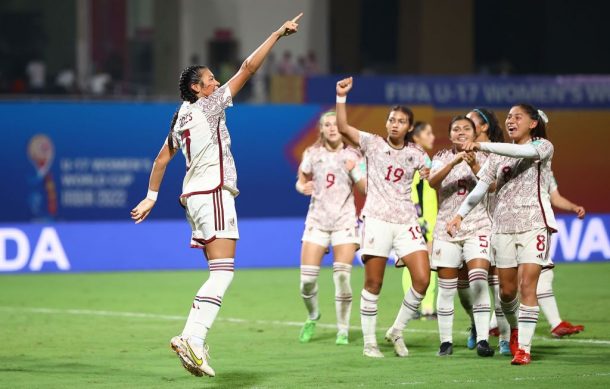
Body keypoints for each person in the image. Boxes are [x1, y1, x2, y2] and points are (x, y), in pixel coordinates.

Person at [130, 13, 302, 377]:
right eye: (210, 79)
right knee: (224, 274)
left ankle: (193, 338)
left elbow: (162, 159)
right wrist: (275, 34)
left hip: (193, 197)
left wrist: (150, 196)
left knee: (217, 270)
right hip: (213, 193)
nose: (217, 82)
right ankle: (191, 336)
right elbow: (248, 69)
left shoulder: (179, 116)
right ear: (198, 88)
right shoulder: (209, 105)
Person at [447, 104, 557, 366]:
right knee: (507, 293)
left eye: (518, 117)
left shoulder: (542, 146)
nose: (511, 120)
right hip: (503, 227)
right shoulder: (499, 156)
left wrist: (483, 146)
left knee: (528, 285)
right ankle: (516, 327)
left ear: (532, 123)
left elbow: (521, 151)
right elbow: (482, 187)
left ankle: (524, 349)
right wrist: (460, 214)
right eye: (508, 117)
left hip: (534, 224)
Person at [335, 77, 430, 358]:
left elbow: (432, 174)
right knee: (373, 283)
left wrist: (430, 174)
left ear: (409, 127)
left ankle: (396, 330)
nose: (394, 124)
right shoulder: (373, 143)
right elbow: (343, 128)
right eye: (391, 120)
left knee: (422, 279)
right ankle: (369, 343)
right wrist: (341, 97)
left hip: (407, 222)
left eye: (400, 121)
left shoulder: (416, 154)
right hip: (377, 219)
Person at [295, 111, 366, 345]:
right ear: (322, 130)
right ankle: (313, 315)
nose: (332, 128)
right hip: (317, 221)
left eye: (336, 124)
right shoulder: (312, 154)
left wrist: (354, 170)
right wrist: (301, 188)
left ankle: (343, 330)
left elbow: (366, 189)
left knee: (343, 277)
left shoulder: (353, 154)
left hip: (344, 222)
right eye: (327, 124)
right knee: (306, 281)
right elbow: (301, 180)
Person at [427, 116, 495, 357]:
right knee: (446, 289)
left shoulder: (485, 155)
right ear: (450, 134)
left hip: (478, 226)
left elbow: (494, 186)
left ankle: (483, 340)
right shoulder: (441, 157)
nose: (461, 132)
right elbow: (433, 182)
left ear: (475, 133)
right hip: (447, 230)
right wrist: (455, 161)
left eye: (467, 128)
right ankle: (445, 342)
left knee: (478, 281)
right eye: (456, 129)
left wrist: (475, 164)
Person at [460, 108, 511, 355]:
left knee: (498, 285)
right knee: (466, 289)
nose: (464, 126)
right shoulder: (460, 151)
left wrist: (475, 166)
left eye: (470, 122)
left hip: (497, 224)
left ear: (483, 127)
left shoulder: (500, 151)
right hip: (468, 227)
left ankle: (503, 337)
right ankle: (475, 323)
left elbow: (493, 186)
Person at [401, 122, 438, 320]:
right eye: (428, 132)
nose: (432, 137)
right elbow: (412, 191)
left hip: (429, 219)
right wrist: (420, 220)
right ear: (416, 137)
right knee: (419, 262)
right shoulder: (414, 159)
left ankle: (422, 307)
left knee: (424, 263)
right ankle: (420, 306)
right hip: (422, 221)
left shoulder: (425, 159)